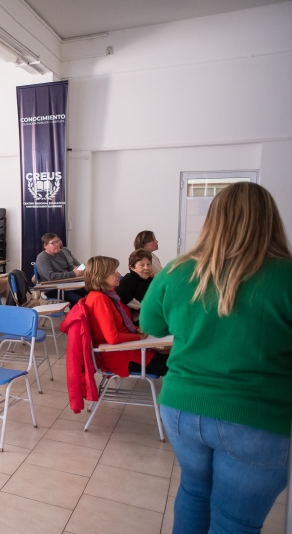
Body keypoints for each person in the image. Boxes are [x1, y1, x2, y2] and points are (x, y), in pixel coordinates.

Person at [141, 182, 292, 533]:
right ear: (269, 220)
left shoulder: (176, 272)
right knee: (234, 520)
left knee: (194, 491)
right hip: (254, 414)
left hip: (181, 406)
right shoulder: (285, 276)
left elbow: (151, 323)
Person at [84, 255, 168, 378]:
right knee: (177, 362)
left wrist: (135, 329)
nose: (118, 274)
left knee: (174, 356)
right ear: (100, 276)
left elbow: (117, 327)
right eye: (113, 271)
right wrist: (138, 337)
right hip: (119, 355)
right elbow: (113, 337)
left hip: (124, 350)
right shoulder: (99, 299)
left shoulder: (105, 295)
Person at [34, 232, 86, 305]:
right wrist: (73, 273)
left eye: (58, 241)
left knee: (90, 292)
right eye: (53, 243)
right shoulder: (42, 258)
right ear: (45, 246)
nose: (57, 244)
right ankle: (75, 315)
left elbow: (72, 266)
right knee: (78, 299)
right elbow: (51, 276)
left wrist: (81, 270)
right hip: (54, 288)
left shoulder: (62, 252)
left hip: (68, 284)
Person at [115, 249, 153, 325]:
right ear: (132, 267)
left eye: (148, 264)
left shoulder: (151, 280)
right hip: (139, 320)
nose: (146, 268)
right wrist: (141, 307)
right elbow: (121, 293)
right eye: (142, 265)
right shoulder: (129, 279)